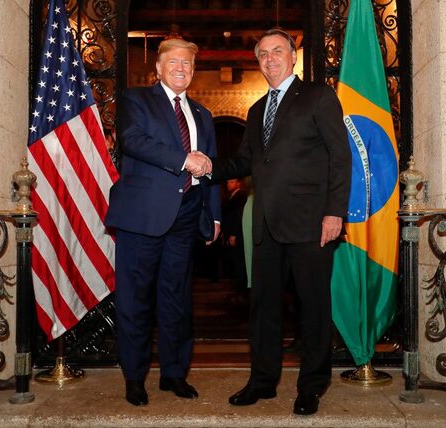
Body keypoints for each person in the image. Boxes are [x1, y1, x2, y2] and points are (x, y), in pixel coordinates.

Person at [210, 28, 351, 415]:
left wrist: (335, 212)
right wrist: (209, 167)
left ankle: (312, 385)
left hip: (312, 222)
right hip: (266, 225)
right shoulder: (256, 110)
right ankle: (262, 381)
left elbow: (340, 157)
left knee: (313, 307)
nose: (269, 58)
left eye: (277, 51)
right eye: (262, 54)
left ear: (292, 57)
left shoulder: (319, 96)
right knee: (263, 308)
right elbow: (244, 162)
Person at [105, 37, 220, 407]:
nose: (181, 68)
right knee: (135, 299)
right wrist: (185, 160)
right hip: (143, 215)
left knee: (177, 299)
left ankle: (174, 374)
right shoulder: (136, 100)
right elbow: (132, 140)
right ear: (158, 68)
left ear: (193, 70)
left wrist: (215, 214)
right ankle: (134, 377)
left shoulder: (203, 114)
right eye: (173, 62)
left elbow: (211, 167)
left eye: (187, 63)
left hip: (187, 215)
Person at [221, 178, 248, 301]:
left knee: (239, 264)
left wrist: (234, 234)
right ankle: (238, 290)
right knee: (235, 263)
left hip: (237, 235)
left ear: (238, 183)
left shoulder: (240, 196)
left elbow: (238, 217)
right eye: (228, 182)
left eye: (232, 182)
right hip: (231, 234)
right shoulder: (231, 197)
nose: (228, 184)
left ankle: (241, 292)